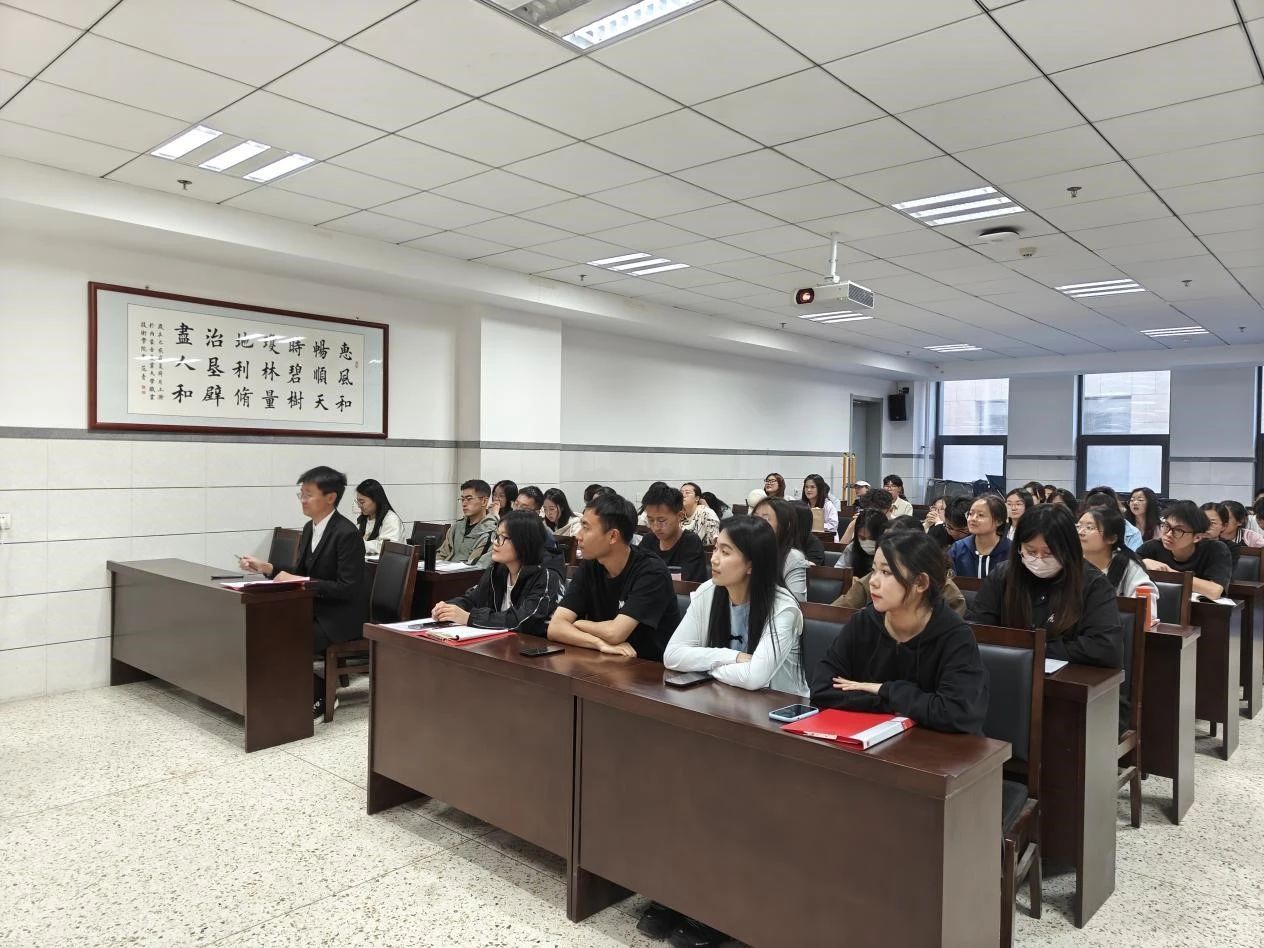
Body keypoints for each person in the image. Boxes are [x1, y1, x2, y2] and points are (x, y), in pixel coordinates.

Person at [809, 529, 988, 733]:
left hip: (935, 749)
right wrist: (890, 702)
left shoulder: (954, 636)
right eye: (874, 570)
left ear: (920, 582)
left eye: (886, 572)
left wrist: (885, 689)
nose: (873, 581)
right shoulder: (863, 622)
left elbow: (957, 713)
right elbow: (822, 689)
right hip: (870, 740)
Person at [239, 466, 368, 718]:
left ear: (330, 497)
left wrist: (301, 581)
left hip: (340, 617)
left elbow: (348, 588)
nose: (303, 500)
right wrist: (267, 568)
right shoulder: (310, 528)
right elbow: (300, 572)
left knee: (285, 639)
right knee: (261, 629)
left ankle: (320, 695)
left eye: (308, 495)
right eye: (301, 494)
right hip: (314, 609)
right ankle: (286, 693)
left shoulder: (347, 533)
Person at [664, 515, 807, 694]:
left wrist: (706, 668)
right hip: (725, 697)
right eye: (715, 549)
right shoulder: (707, 592)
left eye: (725, 552)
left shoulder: (784, 608)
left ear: (751, 565)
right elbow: (672, 655)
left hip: (779, 705)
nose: (714, 559)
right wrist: (734, 657)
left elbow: (754, 677)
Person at [969, 504, 1123, 669]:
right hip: (1005, 671)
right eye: (1031, 551)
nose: (1039, 559)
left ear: (1068, 549)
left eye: (1049, 553)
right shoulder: (1003, 575)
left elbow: (1105, 648)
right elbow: (976, 627)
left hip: (1067, 678)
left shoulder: (1093, 584)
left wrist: (1034, 648)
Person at [547, 492, 680, 660]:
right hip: (605, 660)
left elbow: (615, 633)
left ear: (612, 536)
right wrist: (598, 643)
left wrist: (578, 624)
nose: (578, 536)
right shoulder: (591, 565)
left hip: (649, 669)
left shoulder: (652, 572)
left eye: (586, 528)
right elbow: (555, 628)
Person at [433, 511, 564, 636]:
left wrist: (469, 617)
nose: (495, 542)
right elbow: (473, 599)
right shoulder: (497, 570)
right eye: (496, 536)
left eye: (503, 537)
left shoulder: (546, 576)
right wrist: (448, 608)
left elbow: (525, 621)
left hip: (534, 647)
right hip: (501, 643)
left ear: (523, 542)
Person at [835, 515, 968, 616]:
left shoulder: (945, 590)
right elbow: (834, 613)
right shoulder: (871, 581)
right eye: (884, 541)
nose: (886, 548)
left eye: (894, 542)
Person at [1138, 500, 1233, 600]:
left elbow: (1214, 591)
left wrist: (1170, 573)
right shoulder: (1151, 547)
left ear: (1197, 537)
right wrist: (1143, 562)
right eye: (1166, 526)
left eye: (1178, 530)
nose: (1169, 534)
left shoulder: (1215, 550)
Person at [1077, 505, 1159, 601]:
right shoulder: (1072, 563)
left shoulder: (1127, 566)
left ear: (1111, 538)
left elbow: (1146, 599)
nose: (1080, 532)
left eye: (1089, 527)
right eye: (1078, 526)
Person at [638, 483, 709, 583]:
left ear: (680, 516)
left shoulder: (691, 543)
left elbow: (685, 584)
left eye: (662, 520)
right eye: (651, 520)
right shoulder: (648, 541)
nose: (656, 527)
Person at [751, 496, 808, 602]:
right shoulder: (746, 550)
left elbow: (797, 602)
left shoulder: (793, 558)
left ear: (786, 525)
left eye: (765, 519)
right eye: (755, 518)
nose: (757, 524)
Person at [436, 479, 499, 567]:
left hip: (465, 574)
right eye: (462, 499)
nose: (464, 504)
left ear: (484, 501)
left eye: (469, 499)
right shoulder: (456, 527)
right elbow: (441, 554)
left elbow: (475, 565)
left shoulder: (491, 532)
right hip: (444, 572)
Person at [949, 495, 1011, 578]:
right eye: (970, 514)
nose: (973, 519)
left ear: (999, 521)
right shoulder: (958, 549)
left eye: (981, 515)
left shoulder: (1012, 550)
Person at [354, 478, 405, 556]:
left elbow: (387, 547)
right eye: (358, 502)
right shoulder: (365, 518)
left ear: (376, 500)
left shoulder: (391, 519)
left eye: (362, 502)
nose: (359, 506)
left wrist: (358, 544)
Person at [844, 509, 888, 576]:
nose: (867, 542)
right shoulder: (851, 548)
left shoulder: (891, 553)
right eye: (862, 538)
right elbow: (839, 572)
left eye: (872, 539)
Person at [1199, 502, 1240, 571]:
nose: (1206, 526)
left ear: (1224, 526)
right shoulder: (1189, 543)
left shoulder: (1231, 547)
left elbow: (1224, 573)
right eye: (1202, 521)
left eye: (1212, 523)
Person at [680, 481, 720, 545]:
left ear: (697, 498)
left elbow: (716, 540)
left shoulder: (706, 513)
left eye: (687, 493)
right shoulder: (679, 515)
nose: (683, 495)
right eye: (681, 493)